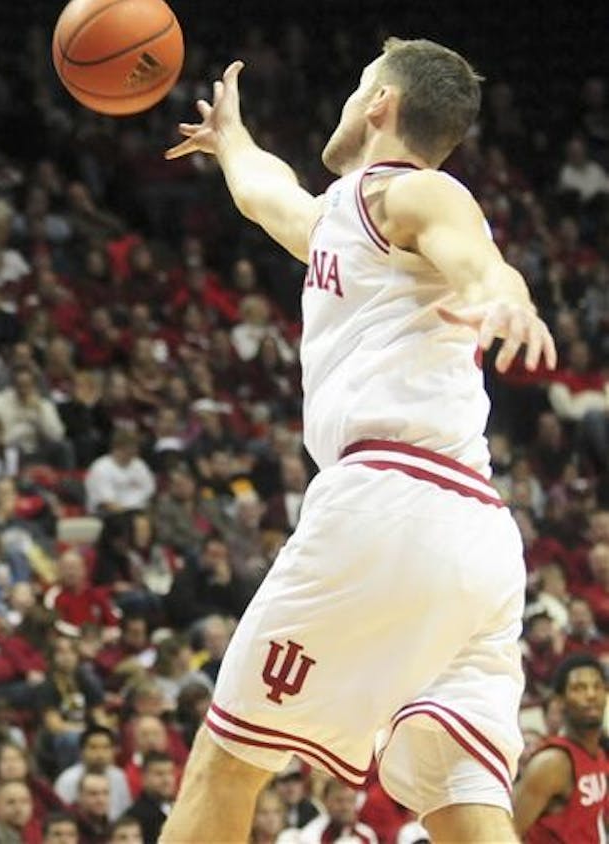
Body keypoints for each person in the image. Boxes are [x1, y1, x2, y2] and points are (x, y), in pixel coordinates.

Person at [159, 40, 556, 842]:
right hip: (477, 540)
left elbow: (477, 257)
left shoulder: (416, 193)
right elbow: (271, 197)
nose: (345, 101)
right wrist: (230, 138)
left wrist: (504, 296)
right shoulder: (346, 221)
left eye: (356, 88)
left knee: (225, 762)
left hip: (390, 502)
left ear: (380, 102)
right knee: (464, 805)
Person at [513, 654, 609, 841]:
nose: (591, 694)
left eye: (597, 686)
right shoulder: (552, 762)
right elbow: (506, 833)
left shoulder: (598, 755)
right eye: (578, 688)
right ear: (559, 701)